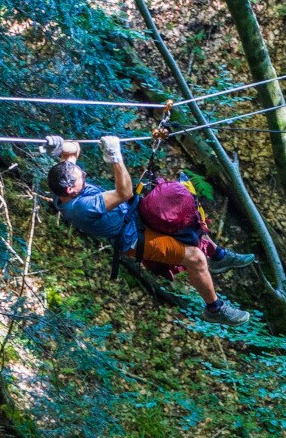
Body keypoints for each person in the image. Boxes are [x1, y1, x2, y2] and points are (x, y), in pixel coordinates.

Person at [46, 134, 254, 325]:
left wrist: (57, 146)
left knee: (178, 214)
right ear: (71, 190)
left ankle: (218, 256)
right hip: (134, 238)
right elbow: (125, 193)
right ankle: (214, 308)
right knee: (195, 258)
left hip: (132, 216)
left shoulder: (64, 183)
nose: (83, 172)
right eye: (80, 176)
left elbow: (72, 151)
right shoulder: (81, 207)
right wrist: (115, 157)